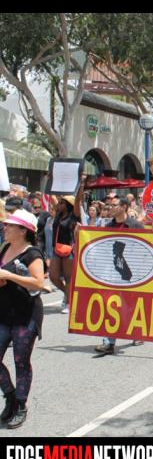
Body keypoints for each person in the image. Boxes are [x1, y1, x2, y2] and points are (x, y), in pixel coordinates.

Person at [0, 210, 46, 429]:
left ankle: (20, 406)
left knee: (21, 360)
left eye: (10, 225)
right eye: (6, 224)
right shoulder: (4, 248)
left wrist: (9, 276)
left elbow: (38, 283)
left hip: (25, 315)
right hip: (3, 313)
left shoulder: (32, 253)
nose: (5, 228)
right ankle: (10, 395)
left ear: (23, 230)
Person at [94, 195, 144, 354]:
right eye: (109, 205)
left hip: (131, 274)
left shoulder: (136, 226)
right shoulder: (108, 227)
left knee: (130, 305)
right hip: (112, 274)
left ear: (124, 207)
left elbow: (145, 249)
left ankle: (136, 332)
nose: (111, 208)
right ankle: (109, 342)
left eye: (114, 205)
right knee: (111, 305)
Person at [50, 180, 85, 314]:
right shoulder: (58, 214)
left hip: (69, 250)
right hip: (56, 249)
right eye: (59, 202)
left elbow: (78, 201)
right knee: (53, 277)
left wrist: (82, 185)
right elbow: (52, 196)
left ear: (68, 205)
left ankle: (69, 303)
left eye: (62, 203)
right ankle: (68, 295)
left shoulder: (74, 216)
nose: (59, 204)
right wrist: (52, 180)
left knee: (68, 278)